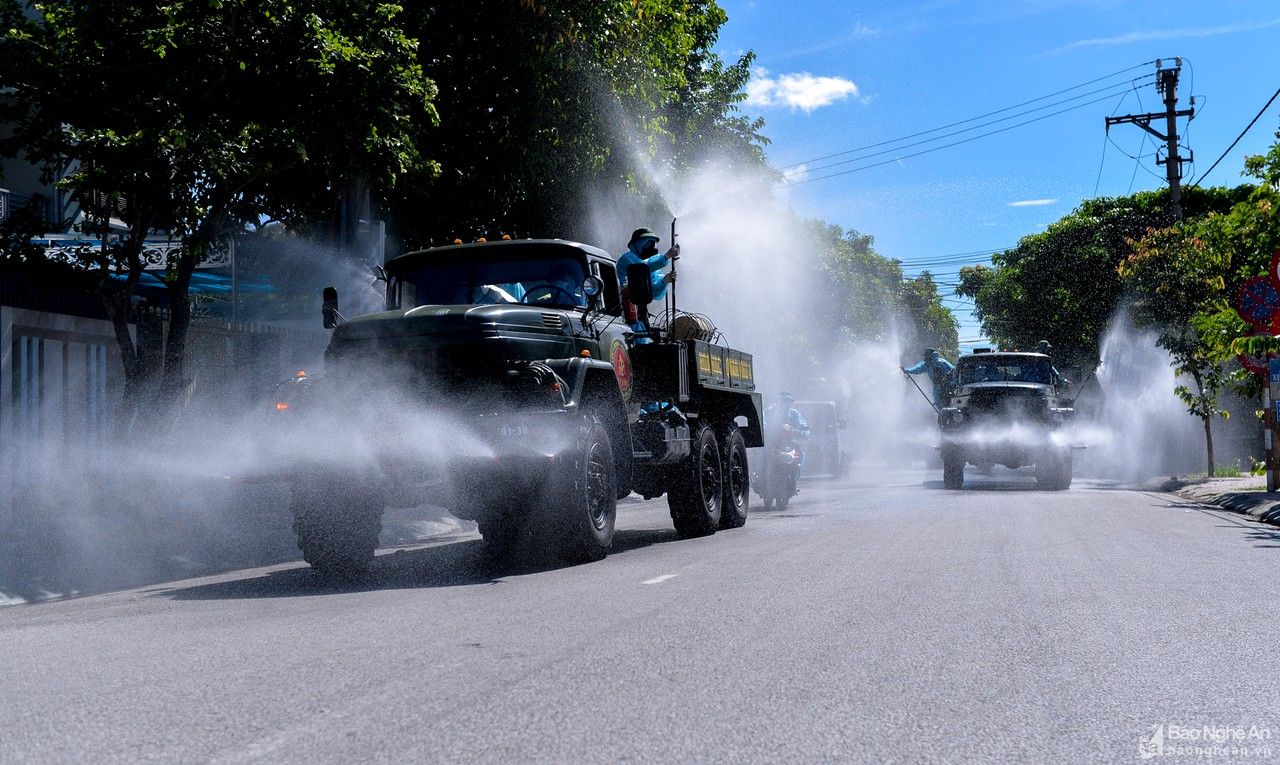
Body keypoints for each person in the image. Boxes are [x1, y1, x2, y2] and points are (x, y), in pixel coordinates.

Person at [618, 227, 679, 342]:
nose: (651, 247)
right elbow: (642, 268)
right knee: (635, 342)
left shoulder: (652, 267)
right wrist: (666, 257)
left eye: (653, 243)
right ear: (637, 244)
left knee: (645, 342)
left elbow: (654, 293)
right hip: (624, 312)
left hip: (639, 314)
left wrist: (664, 281)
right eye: (647, 243)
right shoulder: (627, 259)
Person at [764, 391, 810, 480]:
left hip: (790, 445)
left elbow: (804, 428)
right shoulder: (767, 412)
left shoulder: (794, 414)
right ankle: (759, 478)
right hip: (771, 444)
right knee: (763, 455)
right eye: (782, 401)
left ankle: (796, 477)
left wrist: (798, 432)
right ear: (776, 402)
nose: (785, 404)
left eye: (788, 401)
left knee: (799, 454)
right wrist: (776, 428)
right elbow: (763, 424)